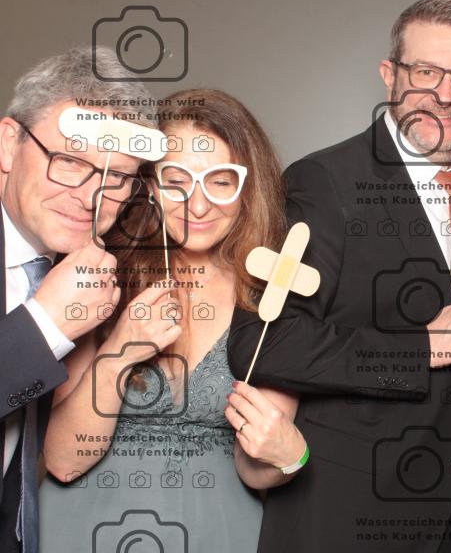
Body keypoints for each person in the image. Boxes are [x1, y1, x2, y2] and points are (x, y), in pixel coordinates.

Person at [226, 0, 451, 552]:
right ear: (389, 76)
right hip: (360, 512)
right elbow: (262, 341)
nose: (446, 93)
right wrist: (419, 349)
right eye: (426, 72)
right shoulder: (325, 182)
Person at [38, 89, 307, 551]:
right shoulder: (101, 274)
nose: (197, 206)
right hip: (86, 528)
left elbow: (252, 469)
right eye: (177, 180)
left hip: (215, 532)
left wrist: (289, 457)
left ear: (248, 187)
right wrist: (119, 352)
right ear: (147, 184)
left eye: (220, 181)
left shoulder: (274, 296)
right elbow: (64, 460)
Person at [0, 47, 154, 553]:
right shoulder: (62, 299)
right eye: (69, 161)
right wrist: (46, 325)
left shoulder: (81, 273)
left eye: (116, 178)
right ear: (8, 144)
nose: (90, 198)